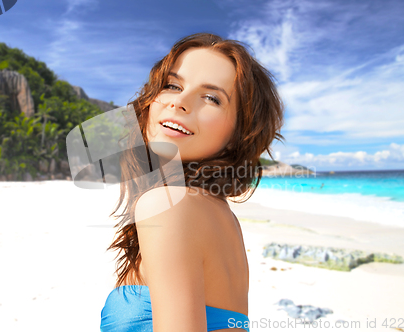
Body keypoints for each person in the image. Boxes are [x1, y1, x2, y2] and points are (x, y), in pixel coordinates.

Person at [100, 32, 284, 332]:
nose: (180, 102)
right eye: (172, 85)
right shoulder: (221, 216)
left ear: (240, 131)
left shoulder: (167, 206)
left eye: (212, 98)